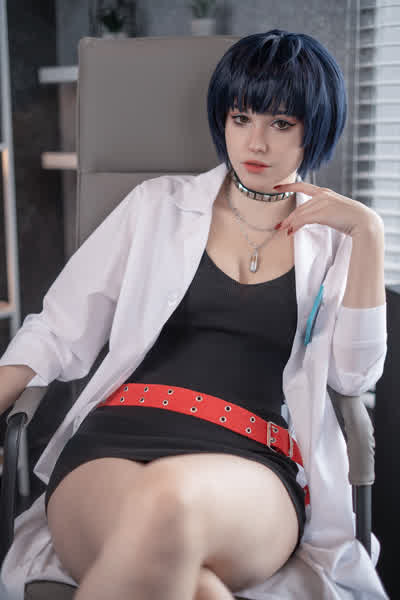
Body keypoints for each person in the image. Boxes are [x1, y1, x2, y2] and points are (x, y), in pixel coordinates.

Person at [0, 30, 388, 600]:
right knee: (193, 584)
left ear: (316, 129)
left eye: (281, 123)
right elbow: (59, 329)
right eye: (240, 118)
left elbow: (353, 377)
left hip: (253, 461)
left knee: (168, 498)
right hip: (112, 445)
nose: (255, 142)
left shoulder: (335, 243)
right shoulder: (157, 205)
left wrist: (368, 233)